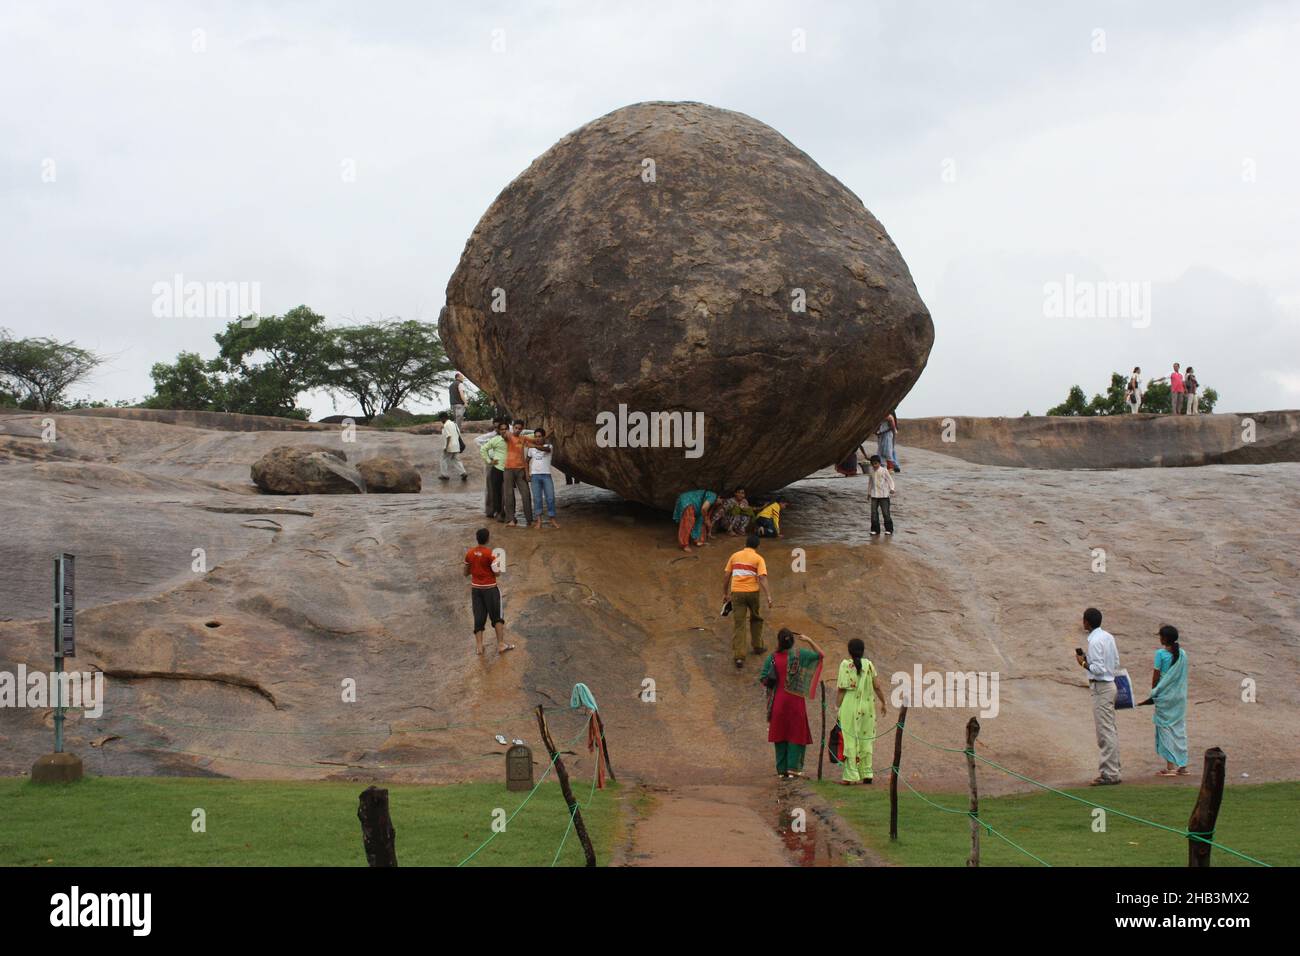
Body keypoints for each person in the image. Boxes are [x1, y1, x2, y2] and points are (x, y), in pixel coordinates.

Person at [759, 629, 825, 779]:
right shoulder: (799, 656)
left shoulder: (772, 658)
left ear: (779, 641)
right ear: (792, 642)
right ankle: (793, 769)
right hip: (796, 702)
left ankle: (781, 770)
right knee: (796, 734)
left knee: (780, 735)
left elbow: (763, 678)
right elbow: (821, 655)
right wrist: (808, 640)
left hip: (778, 703)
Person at [1076, 607, 1122, 785]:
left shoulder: (1095, 641)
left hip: (1101, 687)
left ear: (1087, 622)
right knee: (1110, 729)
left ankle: (1109, 774)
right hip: (1110, 685)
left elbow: (1098, 669)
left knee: (1104, 732)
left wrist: (1084, 663)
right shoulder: (1108, 637)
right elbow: (1116, 662)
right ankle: (1114, 769)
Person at [1139, 625, 1189, 776]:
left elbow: (1156, 677)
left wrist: (1154, 693)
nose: (1159, 638)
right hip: (1179, 697)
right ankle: (1183, 765)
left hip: (1165, 697)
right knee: (1179, 728)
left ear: (1165, 638)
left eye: (1160, 636)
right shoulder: (1183, 654)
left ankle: (1171, 767)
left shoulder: (1160, 654)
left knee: (1165, 728)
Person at [836, 638, 886, 784]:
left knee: (849, 738)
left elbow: (841, 689)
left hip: (850, 706)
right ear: (863, 650)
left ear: (849, 651)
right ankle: (867, 773)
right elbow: (877, 686)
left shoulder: (846, 665)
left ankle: (850, 777)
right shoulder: (869, 665)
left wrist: (837, 706)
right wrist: (884, 702)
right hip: (867, 707)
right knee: (866, 739)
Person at [723, 533, 772, 668]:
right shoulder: (758, 558)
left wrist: (725, 593)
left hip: (737, 593)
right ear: (757, 546)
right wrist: (768, 595)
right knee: (756, 618)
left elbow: (727, 575)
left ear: (745, 544)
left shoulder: (735, 556)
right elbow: (762, 577)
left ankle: (739, 657)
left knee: (739, 624)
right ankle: (757, 646)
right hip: (753, 593)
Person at [463, 527, 514, 657]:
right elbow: (497, 574)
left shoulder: (469, 553)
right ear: (487, 539)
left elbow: (465, 572)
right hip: (490, 589)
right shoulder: (490, 554)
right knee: (497, 616)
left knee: (478, 617)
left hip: (476, 589)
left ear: (477, 538)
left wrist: (475, 569)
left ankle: (479, 647)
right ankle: (501, 644)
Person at [502, 419, 539, 528]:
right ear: (513, 427)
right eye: (516, 428)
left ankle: (529, 520)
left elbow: (537, 440)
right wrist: (506, 432)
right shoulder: (508, 436)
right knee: (508, 495)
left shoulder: (523, 438)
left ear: (522, 429)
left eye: (519, 428)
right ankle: (511, 519)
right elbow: (505, 436)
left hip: (520, 469)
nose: (517, 430)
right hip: (508, 469)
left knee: (526, 494)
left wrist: (549, 432)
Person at [527, 427, 558, 529]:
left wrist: (534, 446)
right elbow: (526, 461)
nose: (537, 438)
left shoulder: (549, 446)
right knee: (537, 499)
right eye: (536, 437)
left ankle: (552, 519)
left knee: (550, 497)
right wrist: (527, 473)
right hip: (535, 476)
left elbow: (546, 450)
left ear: (544, 437)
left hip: (546, 475)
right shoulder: (531, 449)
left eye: (539, 436)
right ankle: (539, 521)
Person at [479, 420, 509, 520]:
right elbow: (479, 443)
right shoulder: (490, 436)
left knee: (505, 491)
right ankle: (491, 511)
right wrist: (489, 460)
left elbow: (526, 433)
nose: (498, 429)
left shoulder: (510, 436)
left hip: (506, 467)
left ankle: (503, 511)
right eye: (496, 427)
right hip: (493, 465)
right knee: (491, 489)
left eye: (504, 428)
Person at [866, 455, 895, 536]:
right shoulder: (871, 471)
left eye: (876, 463)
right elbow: (870, 483)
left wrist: (892, 489)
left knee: (885, 513)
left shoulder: (884, 471)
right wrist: (868, 493)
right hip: (874, 495)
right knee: (873, 513)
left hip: (884, 495)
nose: (874, 465)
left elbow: (890, 480)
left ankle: (889, 529)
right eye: (873, 464)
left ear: (879, 463)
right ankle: (875, 530)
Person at [437, 412, 467, 482]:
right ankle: (463, 472)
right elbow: (458, 433)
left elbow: (448, 436)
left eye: (441, 419)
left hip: (450, 446)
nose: (441, 421)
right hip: (456, 445)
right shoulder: (454, 424)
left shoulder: (446, 425)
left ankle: (444, 475)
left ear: (443, 418)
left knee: (443, 459)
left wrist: (446, 447)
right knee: (455, 459)